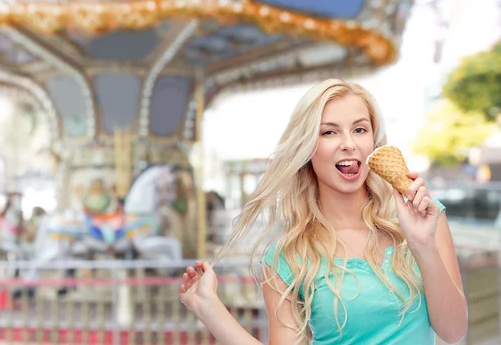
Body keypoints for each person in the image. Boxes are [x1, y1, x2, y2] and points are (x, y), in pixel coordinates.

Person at [178, 79, 468, 344]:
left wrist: (422, 245)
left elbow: (454, 332)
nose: (349, 144)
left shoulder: (425, 217)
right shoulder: (288, 256)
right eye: (329, 132)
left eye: (359, 129)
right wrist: (209, 308)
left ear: (373, 142)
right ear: (307, 149)